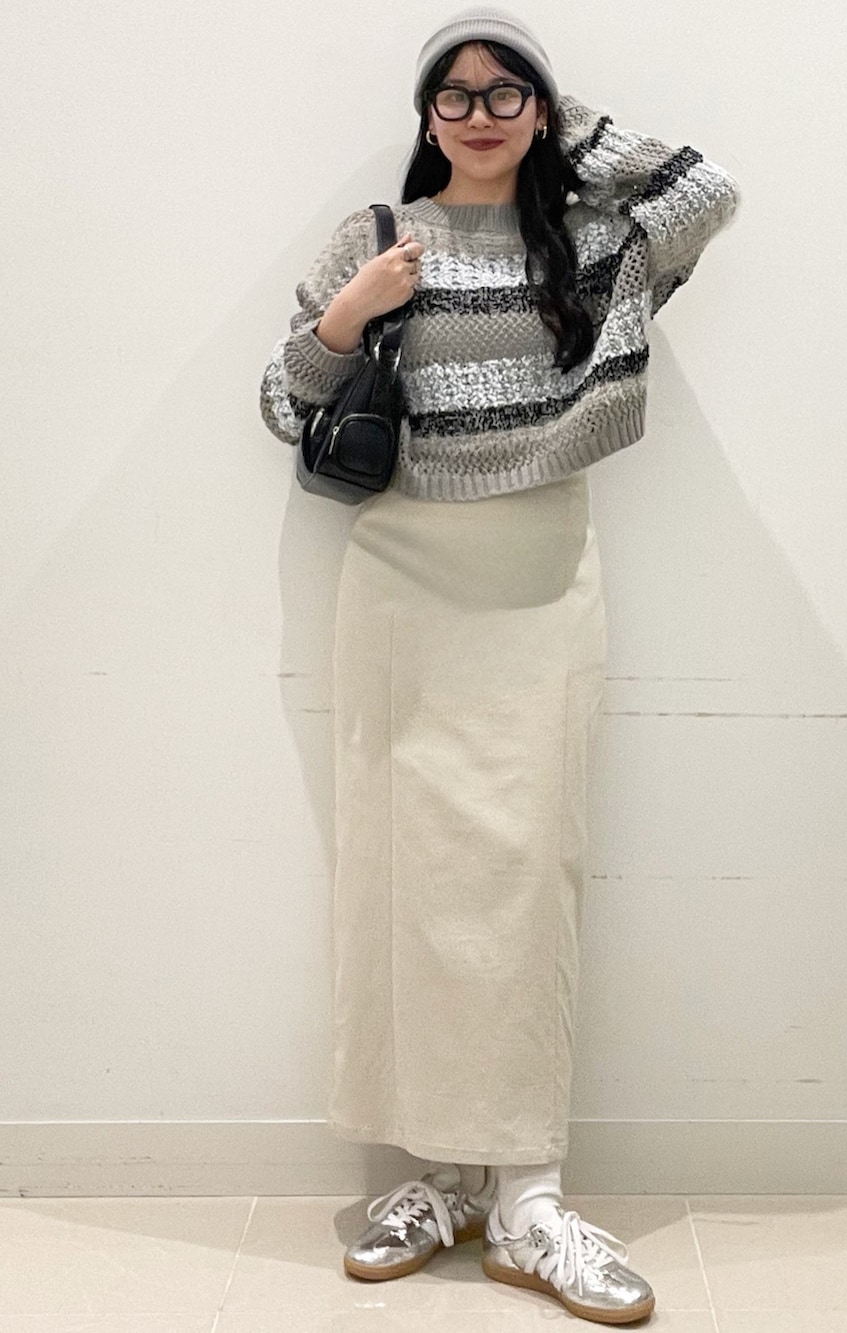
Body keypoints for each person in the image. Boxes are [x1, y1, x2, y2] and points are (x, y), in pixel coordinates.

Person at [259, 5, 740, 1323]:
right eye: (454, 95)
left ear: (540, 104)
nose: (477, 114)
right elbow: (287, 401)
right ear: (423, 117)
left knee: (530, 876)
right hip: (400, 583)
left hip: (540, 576)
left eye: (504, 92)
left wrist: (556, 118)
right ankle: (439, 1174)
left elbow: (706, 195)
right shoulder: (374, 237)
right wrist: (351, 311)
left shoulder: (590, 244)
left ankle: (529, 1192)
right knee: (405, 877)